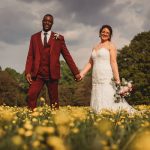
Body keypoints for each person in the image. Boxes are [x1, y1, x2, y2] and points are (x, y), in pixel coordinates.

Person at [25, 14, 81, 110]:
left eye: (49, 21)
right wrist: (27, 72)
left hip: (52, 74)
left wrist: (75, 72)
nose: (47, 23)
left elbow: (67, 56)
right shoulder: (34, 37)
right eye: (45, 21)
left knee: (54, 100)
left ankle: (55, 121)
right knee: (31, 95)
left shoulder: (59, 38)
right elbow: (30, 56)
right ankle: (31, 118)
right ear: (42, 21)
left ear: (52, 24)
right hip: (37, 74)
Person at [80, 25, 135, 113]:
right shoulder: (95, 47)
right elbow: (90, 63)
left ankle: (110, 113)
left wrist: (117, 80)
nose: (105, 34)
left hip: (106, 75)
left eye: (107, 33)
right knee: (97, 93)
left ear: (109, 35)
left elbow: (113, 62)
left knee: (107, 93)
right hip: (96, 76)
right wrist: (81, 74)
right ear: (100, 33)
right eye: (103, 31)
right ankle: (98, 113)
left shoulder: (111, 46)